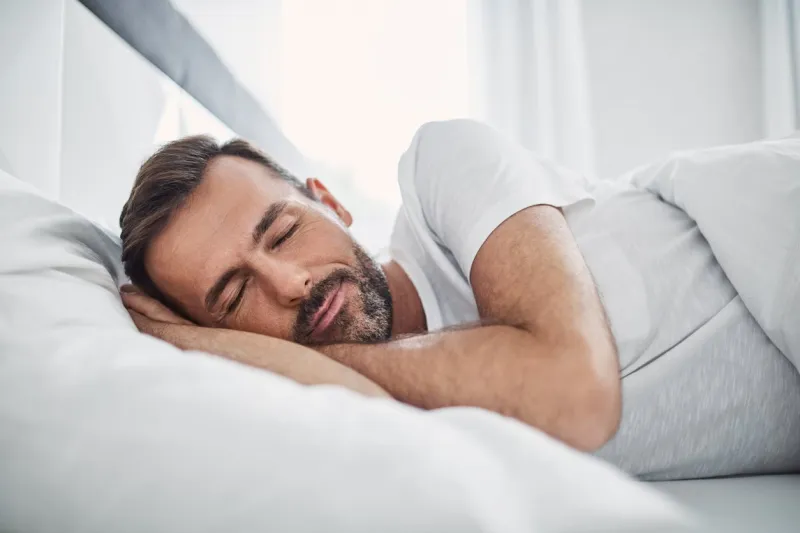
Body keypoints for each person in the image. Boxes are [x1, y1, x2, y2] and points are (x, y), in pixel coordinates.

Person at [119, 119, 800, 480]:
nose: (290, 283)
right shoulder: (378, 424)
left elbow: (574, 393)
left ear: (331, 201)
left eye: (286, 232)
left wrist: (225, 340)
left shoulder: (441, 166)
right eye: (235, 298)